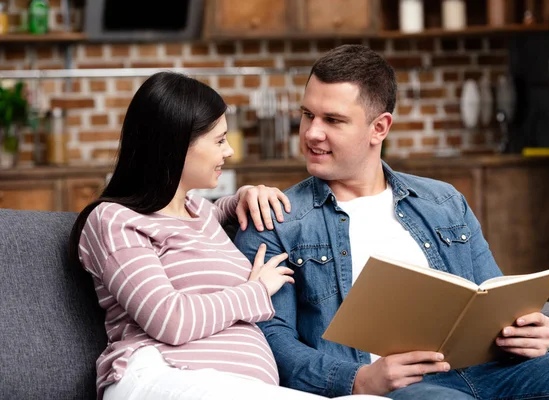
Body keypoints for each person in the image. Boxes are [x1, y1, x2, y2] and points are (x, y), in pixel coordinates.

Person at [234, 45, 549, 399]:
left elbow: (494, 297)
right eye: (308, 114)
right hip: (404, 389)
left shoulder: (443, 201)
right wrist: (357, 379)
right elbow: (270, 336)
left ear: (380, 128)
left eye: (333, 120)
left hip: (494, 373)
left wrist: (529, 330)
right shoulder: (275, 217)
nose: (312, 133)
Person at [69, 71, 383, 400]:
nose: (229, 151)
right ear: (175, 145)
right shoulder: (115, 221)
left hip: (236, 387)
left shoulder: (201, 212)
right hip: (159, 375)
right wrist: (256, 291)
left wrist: (247, 195)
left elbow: (220, 210)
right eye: (219, 140)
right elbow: (171, 320)